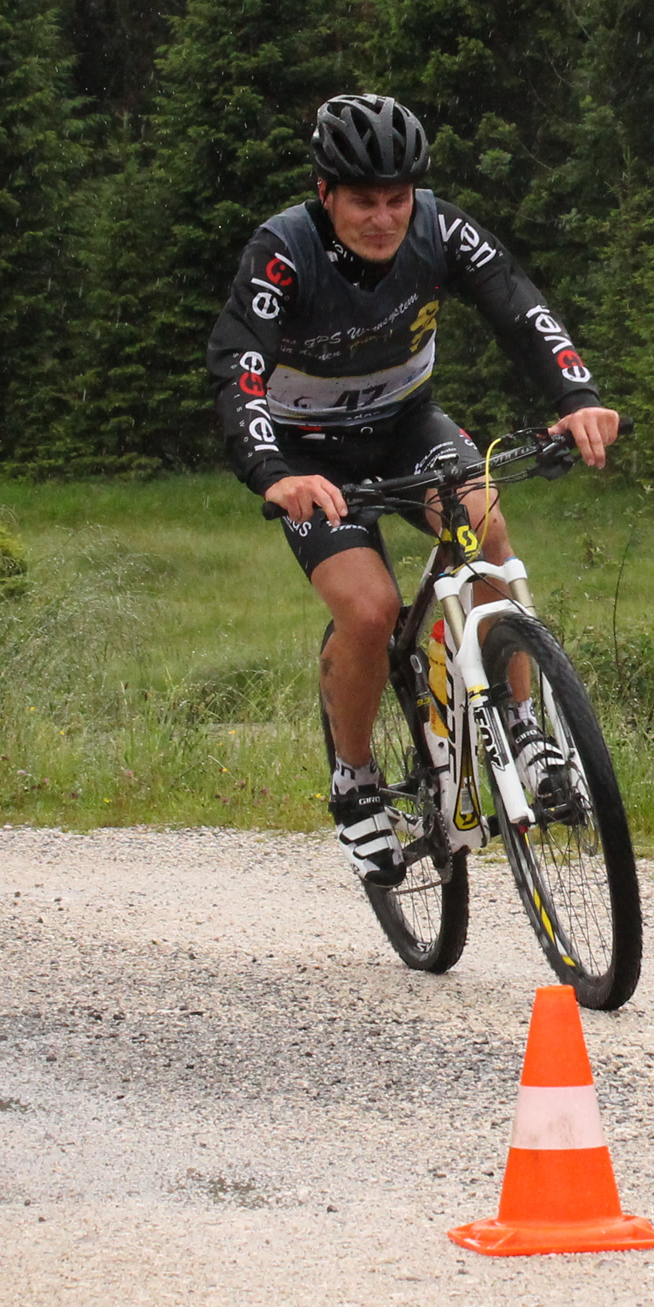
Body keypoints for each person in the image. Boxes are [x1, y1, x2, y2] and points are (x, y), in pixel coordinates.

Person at [207, 93, 618, 882]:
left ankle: (525, 726)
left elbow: (519, 305)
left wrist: (576, 396)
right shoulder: (282, 252)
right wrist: (275, 473)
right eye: (363, 201)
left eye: (397, 199)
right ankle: (354, 780)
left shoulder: (440, 227)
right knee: (370, 611)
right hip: (308, 454)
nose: (383, 218)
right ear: (325, 193)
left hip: (406, 423)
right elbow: (239, 370)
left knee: (486, 533)